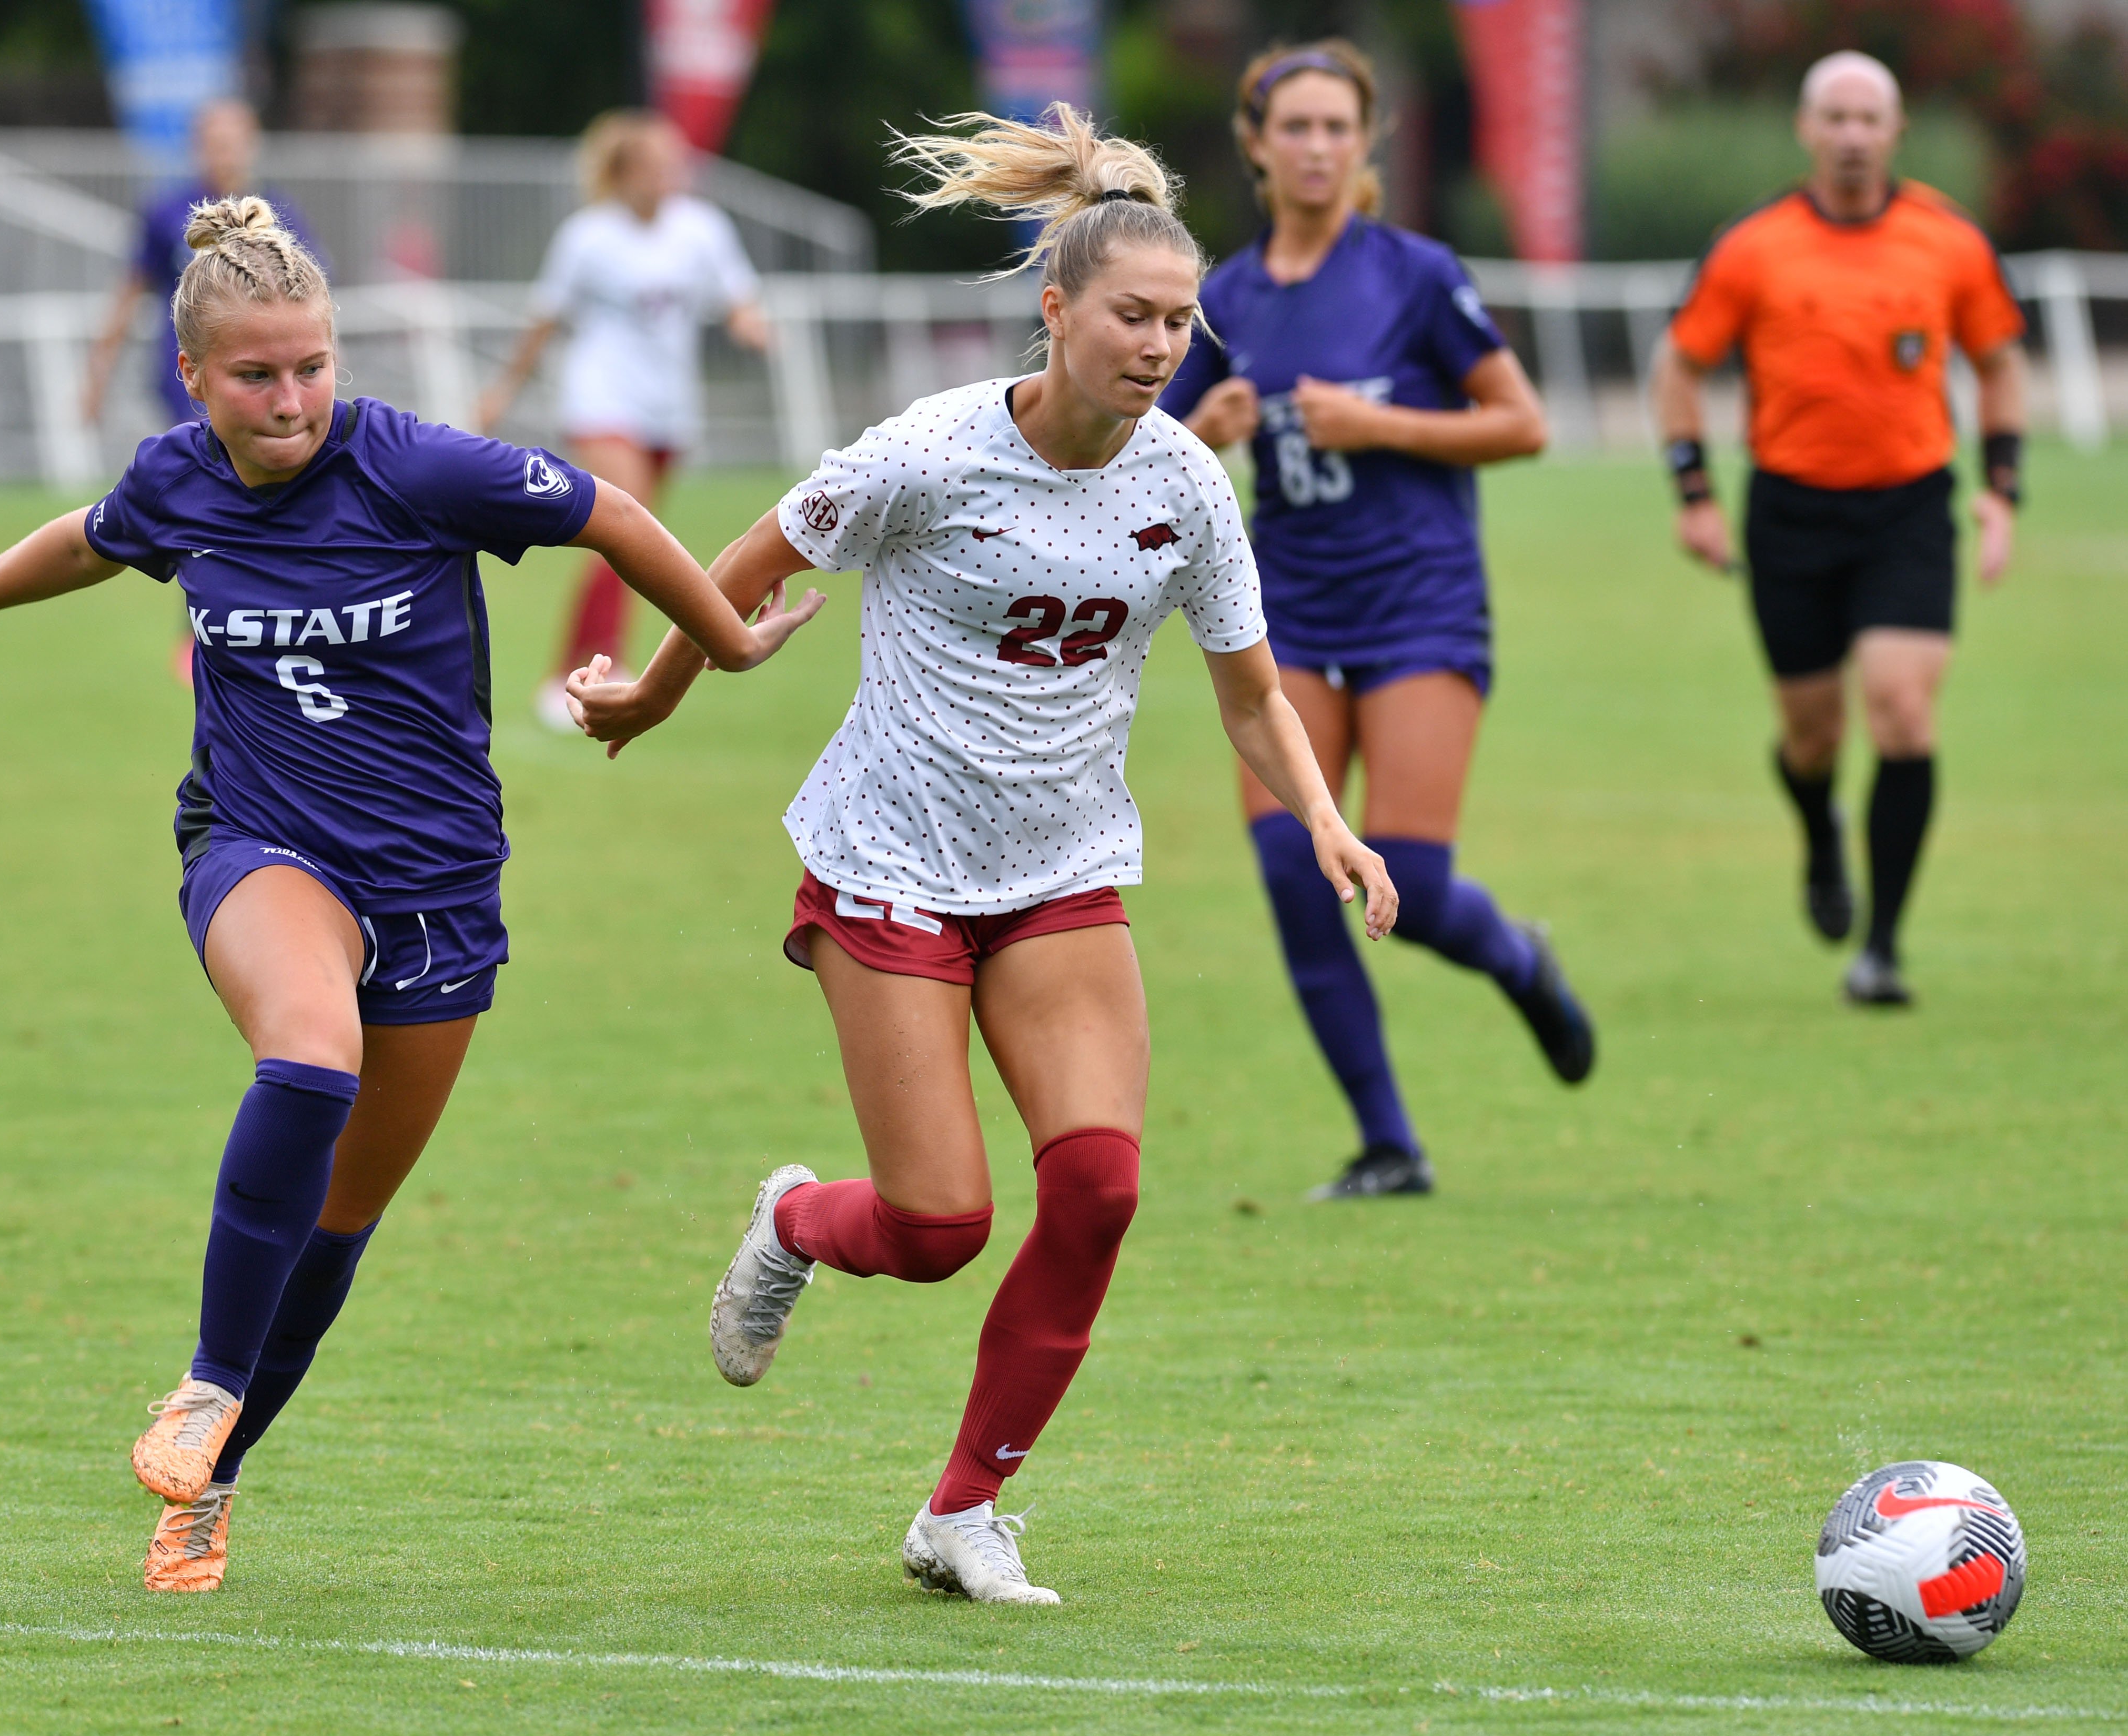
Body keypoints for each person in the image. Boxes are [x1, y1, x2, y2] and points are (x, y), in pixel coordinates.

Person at [0, 197, 821, 1594]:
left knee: (334, 1229)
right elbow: (92, 536)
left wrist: (716, 644)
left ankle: (214, 1476)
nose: (291, 394)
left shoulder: (420, 468)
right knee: (307, 1053)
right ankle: (201, 1383)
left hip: (436, 887)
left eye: (311, 364)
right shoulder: (178, 478)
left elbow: (605, 512)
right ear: (196, 378)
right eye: (256, 373)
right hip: (257, 847)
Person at [567, 106, 1398, 1604]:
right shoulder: (928, 453)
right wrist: (660, 686)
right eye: (1130, 317)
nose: (1157, 347)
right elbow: (743, 566)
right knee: (939, 1222)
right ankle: (794, 1219)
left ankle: (963, 1510)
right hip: (888, 858)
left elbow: (1249, 690)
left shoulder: (1182, 487)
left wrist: (1324, 817)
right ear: (1054, 308)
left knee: (1095, 1188)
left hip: (1062, 869)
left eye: (1177, 323)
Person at [1155, 39, 1590, 1203]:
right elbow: (1134, 467)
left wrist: (1385, 426)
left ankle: (1515, 957)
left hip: (1417, 602)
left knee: (1413, 879)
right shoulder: (1223, 301)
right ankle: (1387, 1144)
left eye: (1335, 128)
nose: (1314, 148)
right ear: (1254, 144)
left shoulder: (1413, 272)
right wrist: (1208, 434)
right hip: (1284, 608)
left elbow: (1522, 423)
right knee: (1296, 869)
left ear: (1366, 143)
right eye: (1292, 128)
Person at [1650, 51, 2025, 1007]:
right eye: (1835, 118)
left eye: (1870, 118)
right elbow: (1679, 369)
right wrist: (1693, 494)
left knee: (1901, 711)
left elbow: (1998, 366)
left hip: (1906, 508)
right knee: (1810, 737)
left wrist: (2001, 490)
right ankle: (1819, 832)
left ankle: (1882, 947)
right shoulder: (1752, 246)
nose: (1853, 136)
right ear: (1805, 131)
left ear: (1895, 131)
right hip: (1789, 514)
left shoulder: (1946, 241)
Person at [474, 109, 769, 731]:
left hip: (669, 409)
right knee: (623, 524)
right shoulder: (589, 237)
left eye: (676, 166)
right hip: (602, 400)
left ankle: (593, 668)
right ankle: (574, 676)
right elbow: (545, 321)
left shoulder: (702, 229)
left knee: (638, 548)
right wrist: (502, 391)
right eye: (658, 167)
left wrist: (748, 323)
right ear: (626, 174)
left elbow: (736, 295)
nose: (671, 178)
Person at [80, 97, 318, 686]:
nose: (226, 151)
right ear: (198, 146)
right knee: (208, 499)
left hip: (270, 389)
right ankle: (204, 629)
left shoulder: (278, 213)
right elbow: (130, 294)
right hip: (185, 385)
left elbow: (310, 304)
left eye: (235, 139)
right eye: (215, 140)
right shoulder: (168, 215)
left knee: (275, 500)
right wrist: (97, 375)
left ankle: (270, 619)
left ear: (253, 142)